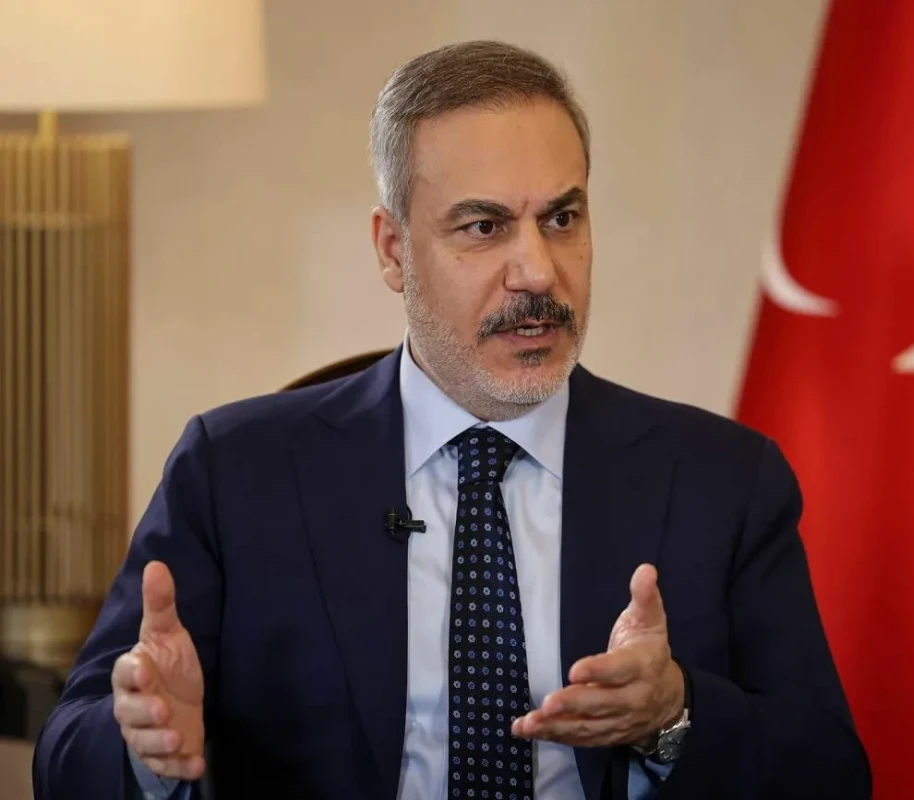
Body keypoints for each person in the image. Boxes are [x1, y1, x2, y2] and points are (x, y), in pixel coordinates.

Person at [31, 40, 871, 799]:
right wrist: (143, 746)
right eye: (484, 226)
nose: (536, 271)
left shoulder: (723, 481)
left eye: (562, 219)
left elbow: (830, 774)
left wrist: (673, 714)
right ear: (393, 250)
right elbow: (64, 757)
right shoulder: (235, 471)